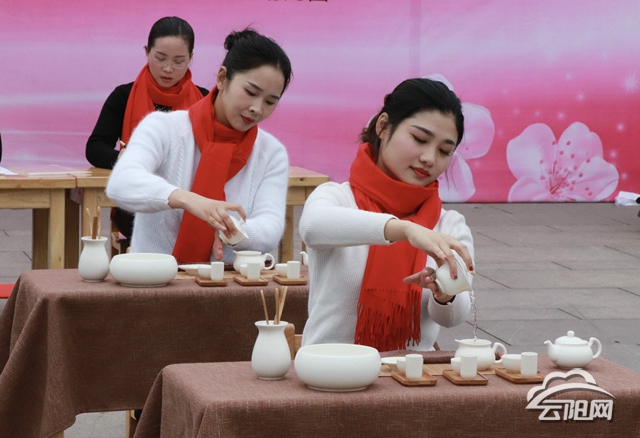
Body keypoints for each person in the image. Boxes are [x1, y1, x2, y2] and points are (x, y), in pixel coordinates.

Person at [300, 78, 474, 352]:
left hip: (412, 373)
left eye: (444, 151)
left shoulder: (449, 225)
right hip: (330, 369)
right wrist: (405, 230)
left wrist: (444, 294)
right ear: (383, 126)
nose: (429, 158)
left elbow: (454, 317)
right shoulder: (337, 198)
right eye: (419, 139)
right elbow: (312, 227)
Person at [106, 28, 292, 265]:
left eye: (270, 102)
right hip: (153, 276)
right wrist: (191, 201)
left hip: (229, 280)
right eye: (250, 92)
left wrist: (228, 227)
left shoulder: (271, 153)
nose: (257, 108)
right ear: (222, 78)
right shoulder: (163, 128)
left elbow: (271, 226)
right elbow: (122, 182)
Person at [86, 16, 208, 238]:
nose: (168, 69)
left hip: (191, 204)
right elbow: (95, 148)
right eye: (160, 58)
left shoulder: (205, 101)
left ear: (191, 58)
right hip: (137, 204)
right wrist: (122, 159)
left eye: (179, 61)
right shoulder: (123, 96)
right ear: (147, 52)